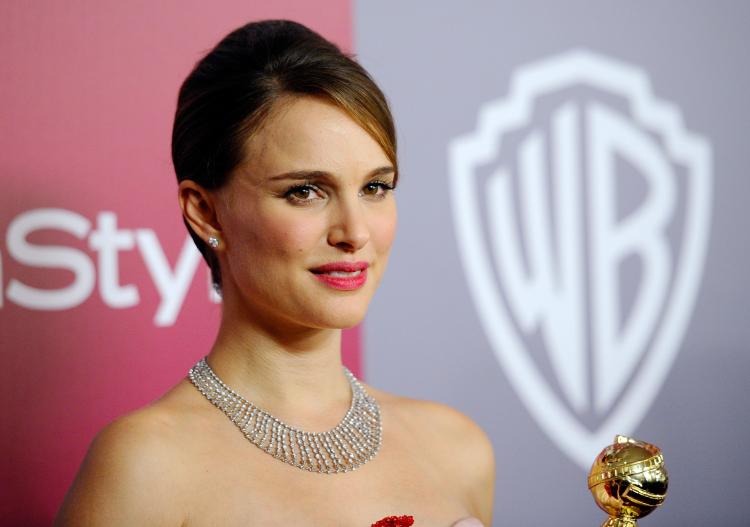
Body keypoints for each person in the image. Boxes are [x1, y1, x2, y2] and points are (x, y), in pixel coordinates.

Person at [54, 19, 494, 527]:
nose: (355, 231)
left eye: (375, 187)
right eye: (305, 191)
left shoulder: (458, 450)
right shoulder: (145, 467)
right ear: (206, 211)